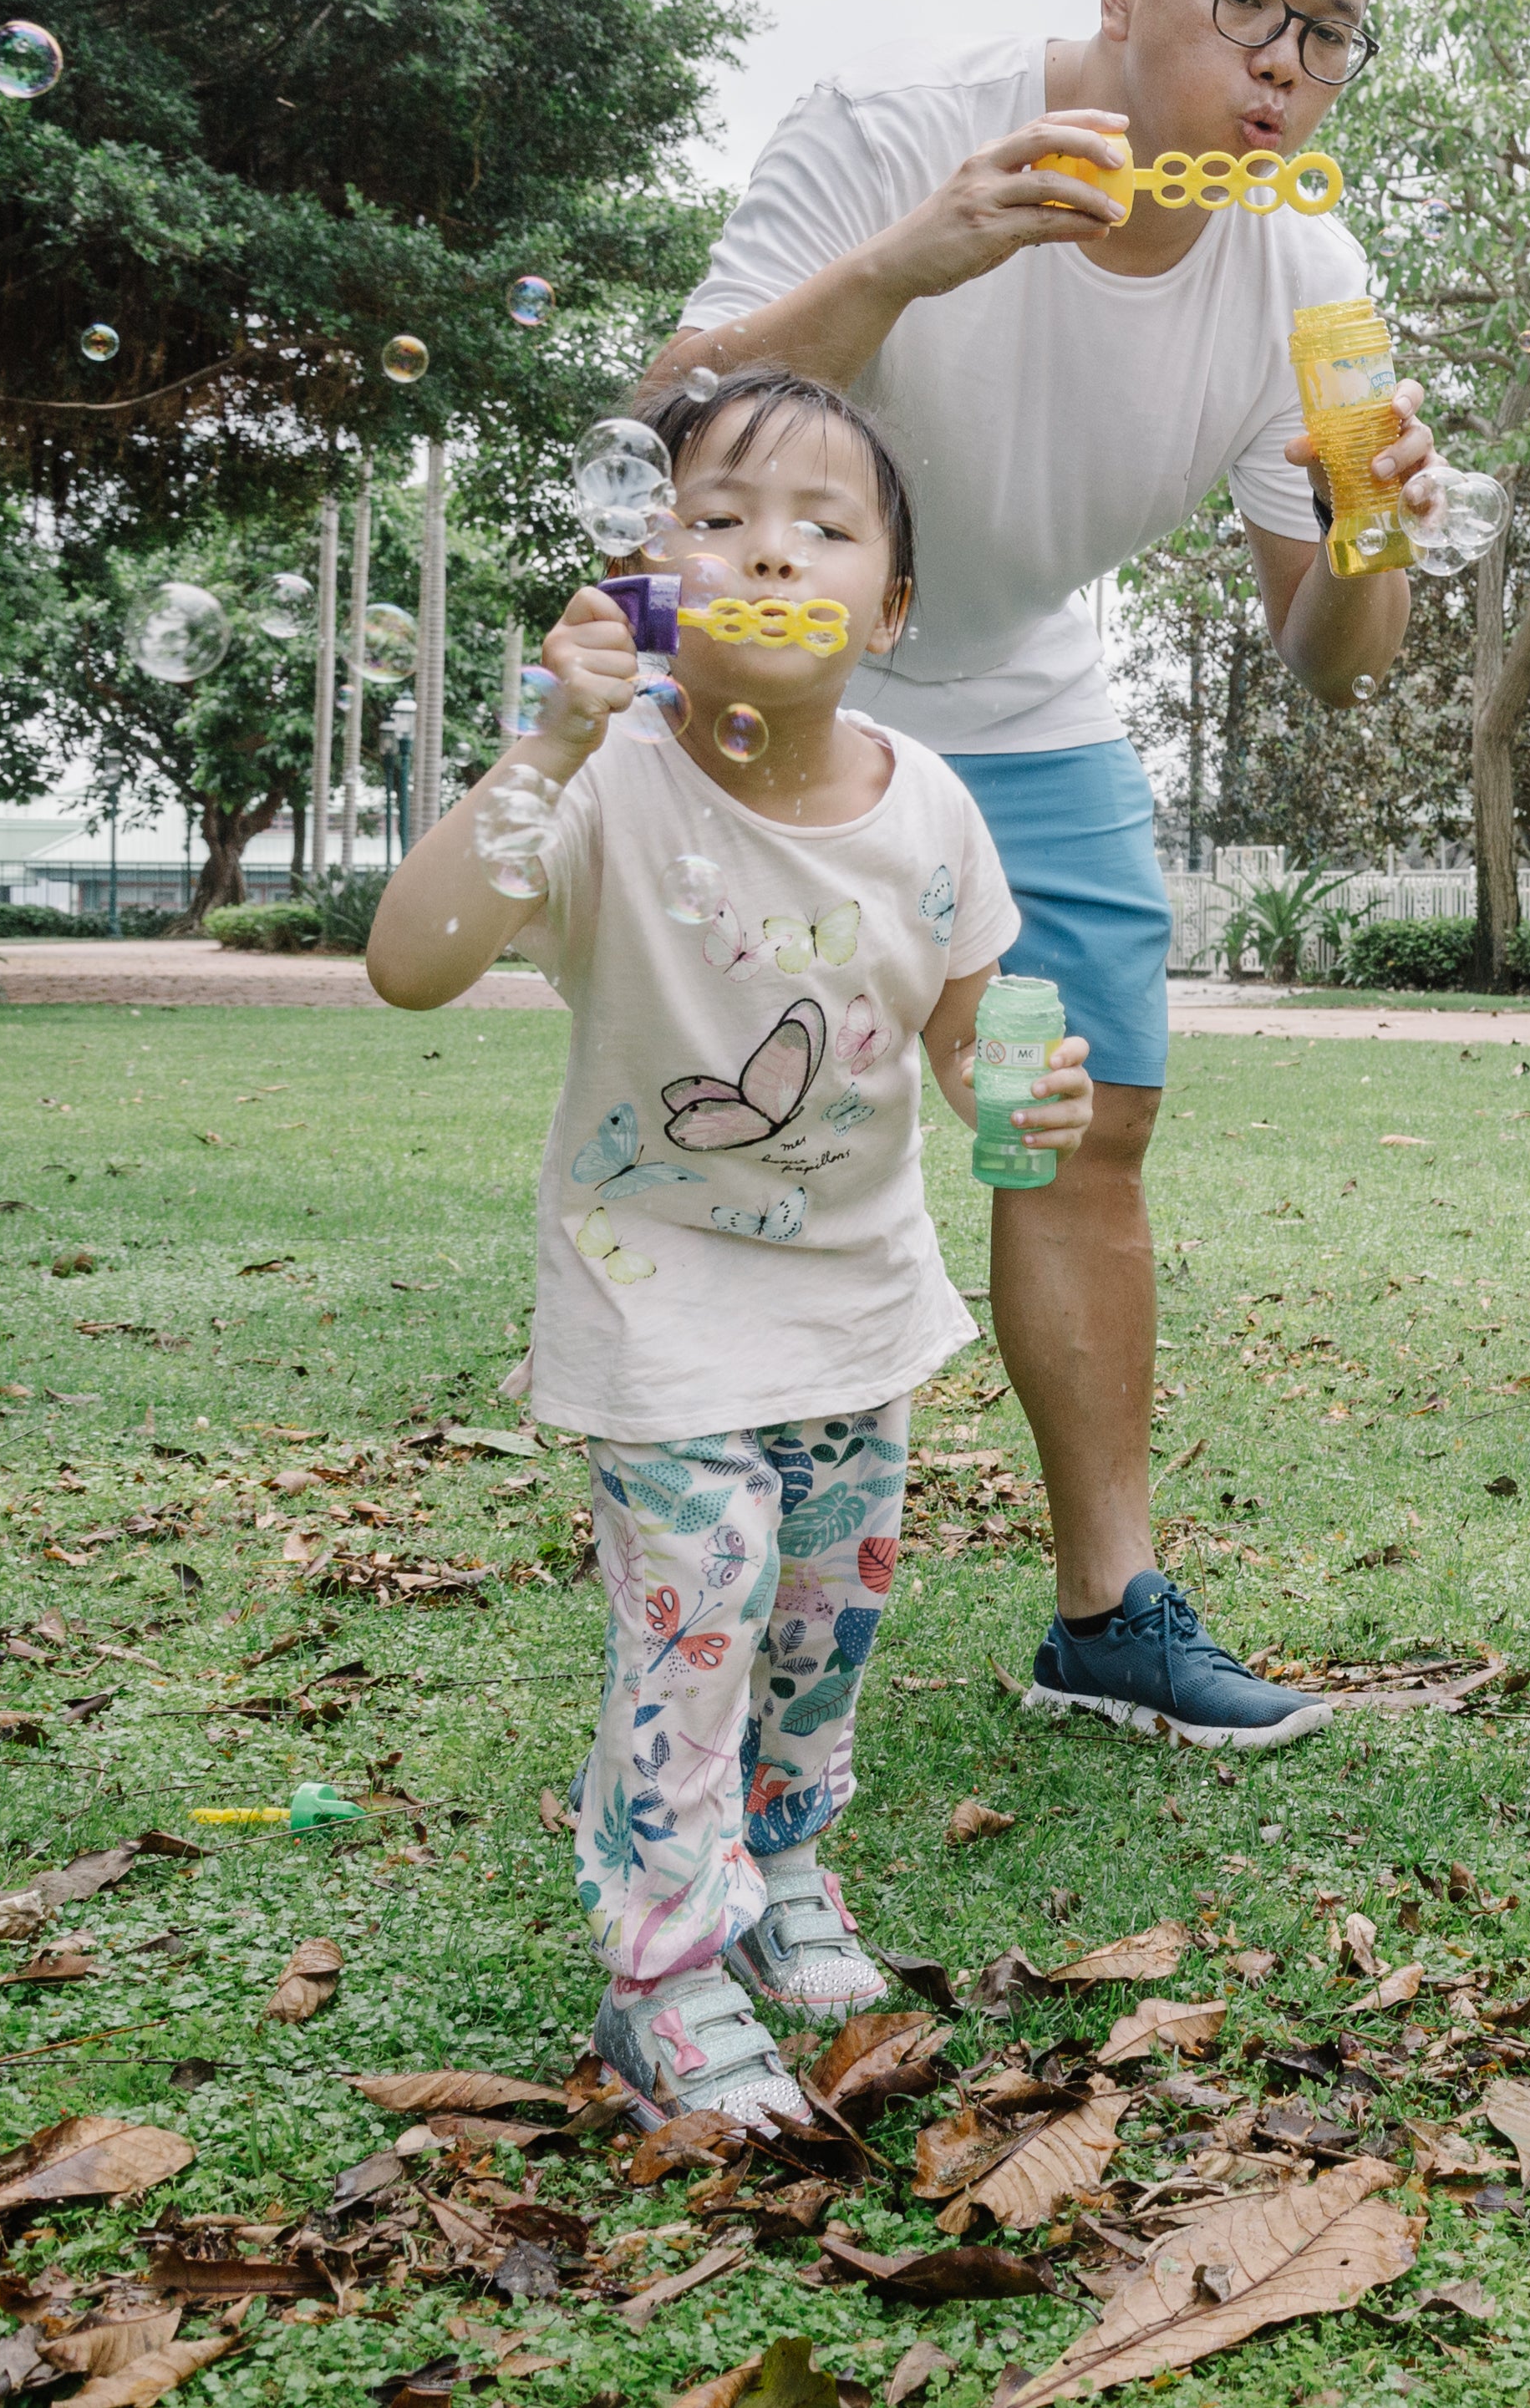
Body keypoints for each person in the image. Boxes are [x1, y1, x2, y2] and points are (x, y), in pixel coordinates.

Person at [649, 0, 1442, 1754]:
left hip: (1019, 699)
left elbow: (1333, 671)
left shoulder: (1301, 271)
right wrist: (914, 260)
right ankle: (718, 1563)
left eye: (1328, 32)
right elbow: (677, 413)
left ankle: (1106, 1611)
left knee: (1072, 1130)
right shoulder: (898, 126)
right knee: (755, 1130)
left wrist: (1371, 538)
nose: (1284, 63)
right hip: (785, 671)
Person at [365, 368, 1094, 2129]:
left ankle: (780, 1867)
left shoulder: (930, 805)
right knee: (698, 1626)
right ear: (653, 568)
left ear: (891, 608)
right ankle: (662, 1968)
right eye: (719, 514)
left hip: (857, 1307)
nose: (768, 544)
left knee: (823, 1628)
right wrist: (543, 736)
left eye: (823, 524)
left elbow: (972, 1041)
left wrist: (1030, 1101)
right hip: (660, 1303)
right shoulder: (605, 783)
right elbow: (411, 957)